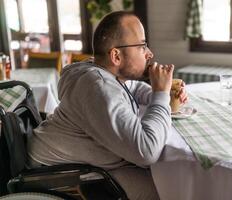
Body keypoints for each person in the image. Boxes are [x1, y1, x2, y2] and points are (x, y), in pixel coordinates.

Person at [27, 11, 187, 199]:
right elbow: (147, 151)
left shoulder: (106, 74)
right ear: (116, 56)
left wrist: (159, 94)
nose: (150, 53)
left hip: (93, 163)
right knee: (171, 190)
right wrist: (160, 95)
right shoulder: (98, 87)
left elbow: (132, 88)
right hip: (58, 175)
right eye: (142, 46)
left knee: (170, 179)